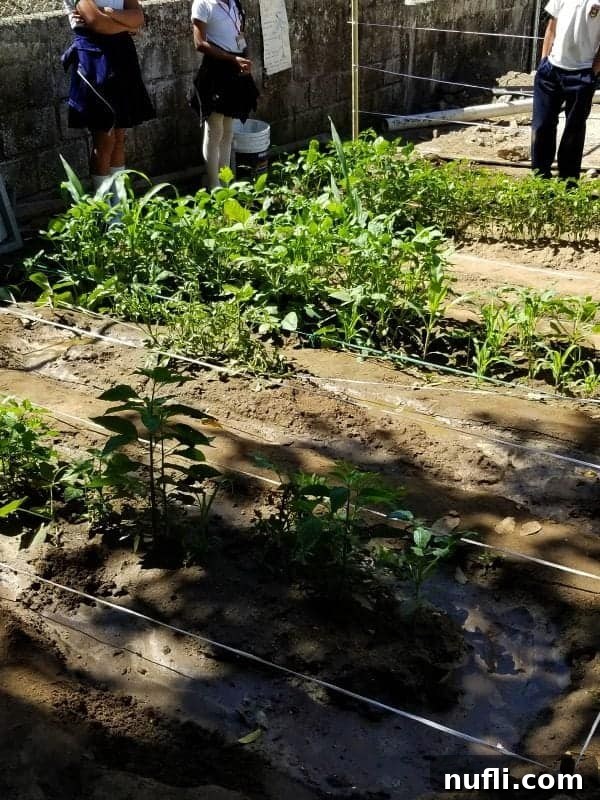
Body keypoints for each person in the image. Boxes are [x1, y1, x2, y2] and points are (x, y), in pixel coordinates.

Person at [61, 0, 155, 195]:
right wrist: (124, 24)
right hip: (94, 59)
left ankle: (119, 206)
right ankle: (104, 209)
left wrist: (109, 13)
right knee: (104, 140)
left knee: (119, 137)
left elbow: (138, 17)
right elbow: (97, 22)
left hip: (122, 57)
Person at [191, 0, 259, 188]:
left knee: (228, 129)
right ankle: (214, 186)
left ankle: (225, 182)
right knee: (215, 130)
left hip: (236, 66)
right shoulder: (203, 4)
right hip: (216, 69)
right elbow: (200, 42)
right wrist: (232, 58)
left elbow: (239, 34)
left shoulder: (234, 3)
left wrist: (245, 58)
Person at [531, 0, 600, 181]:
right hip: (550, 71)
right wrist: (543, 62)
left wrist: (592, 72)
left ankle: (568, 181)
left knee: (574, 130)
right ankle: (540, 179)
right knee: (542, 125)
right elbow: (551, 28)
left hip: (582, 74)